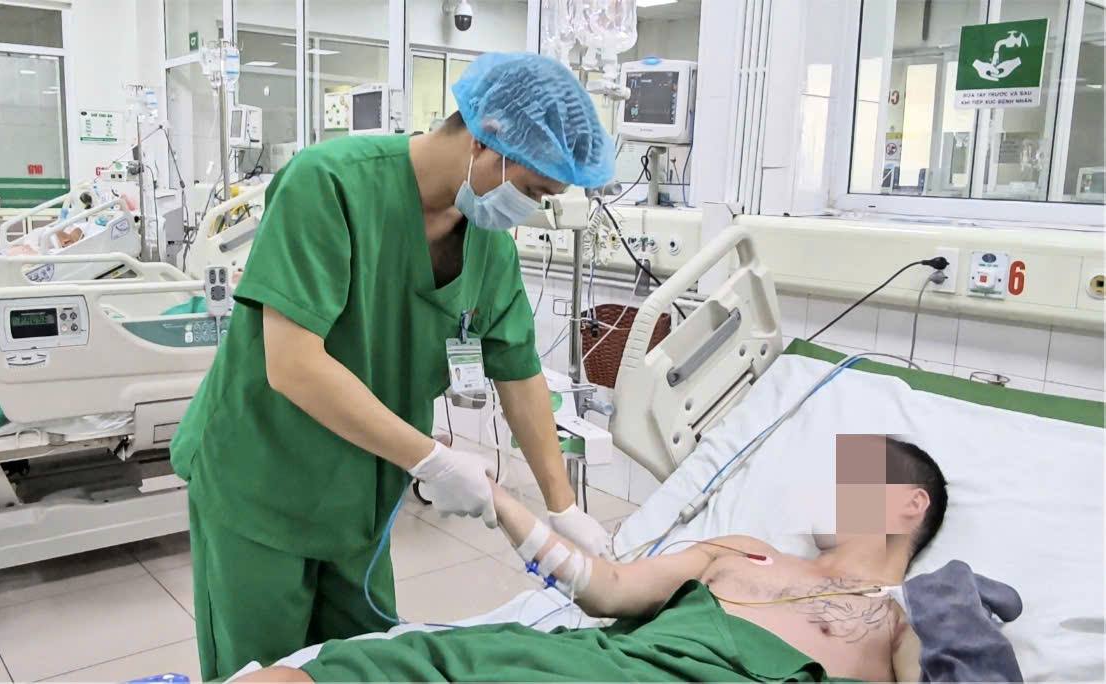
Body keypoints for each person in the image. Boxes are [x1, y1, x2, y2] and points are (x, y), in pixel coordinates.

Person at [170, 52, 616, 680]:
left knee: (368, 666)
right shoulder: (328, 183)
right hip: (260, 484)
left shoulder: (487, 244)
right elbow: (293, 365)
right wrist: (430, 459)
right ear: (493, 144)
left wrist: (561, 506)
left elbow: (518, 373)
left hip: (359, 498)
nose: (533, 210)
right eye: (537, 191)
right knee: (264, 670)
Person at [233, 437, 949, 682]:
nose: (829, 491)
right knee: (393, 664)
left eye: (855, 474)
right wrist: (499, 502)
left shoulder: (906, 617)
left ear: (909, 506)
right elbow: (602, 591)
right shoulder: (743, 550)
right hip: (598, 664)